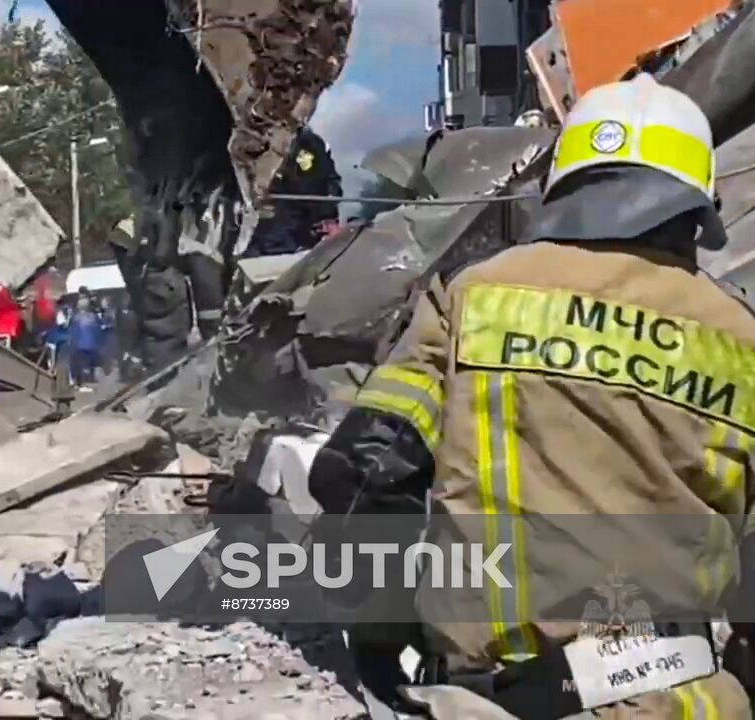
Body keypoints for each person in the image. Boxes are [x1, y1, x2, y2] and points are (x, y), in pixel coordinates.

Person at [305, 74, 754, 718]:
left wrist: (384, 631)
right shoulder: (742, 340)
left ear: (561, 186)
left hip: (497, 702)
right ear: (698, 207)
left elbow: (365, 471)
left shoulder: (475, 295)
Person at [245, 126, 342, 257]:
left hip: (316, 230)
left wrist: (330, 214)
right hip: (283, 229)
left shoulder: (315, 143)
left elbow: (331, 179)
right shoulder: (264, 145)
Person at [69, 289, 103, 385]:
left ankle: (80, 380)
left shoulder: (76, 318)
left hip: (79, 345)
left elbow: (73, 332)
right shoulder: (93, 317)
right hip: (92, 345)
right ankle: (90, 377)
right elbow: (98, 330)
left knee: (79, 363)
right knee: (91, 362)